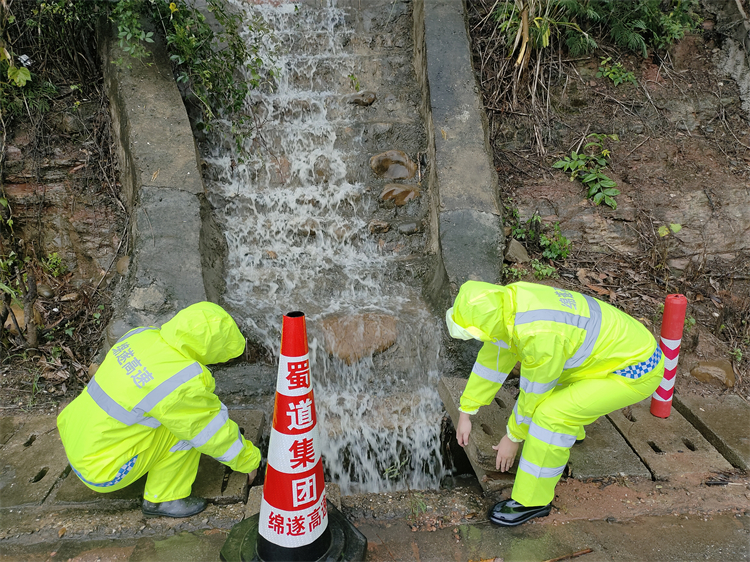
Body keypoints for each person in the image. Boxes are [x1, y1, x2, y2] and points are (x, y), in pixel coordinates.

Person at [446, 280, 665, 526]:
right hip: (613, 353)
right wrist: (466, 410)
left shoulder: (538, 336)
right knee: (551, 385)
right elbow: (492, 360)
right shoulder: (509, 305)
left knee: (550, 415)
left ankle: (533, 501)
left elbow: (535, 391)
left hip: (634, 370)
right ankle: (572, 428)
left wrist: (513, 437)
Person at [57, 302, 261, 518]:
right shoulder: (181, 382)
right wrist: (249, 462)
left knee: (174, 417)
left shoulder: (140, 336)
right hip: (102, 469)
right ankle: (164, 499)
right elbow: (209, 431)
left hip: (75, 437)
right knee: (187, 430)